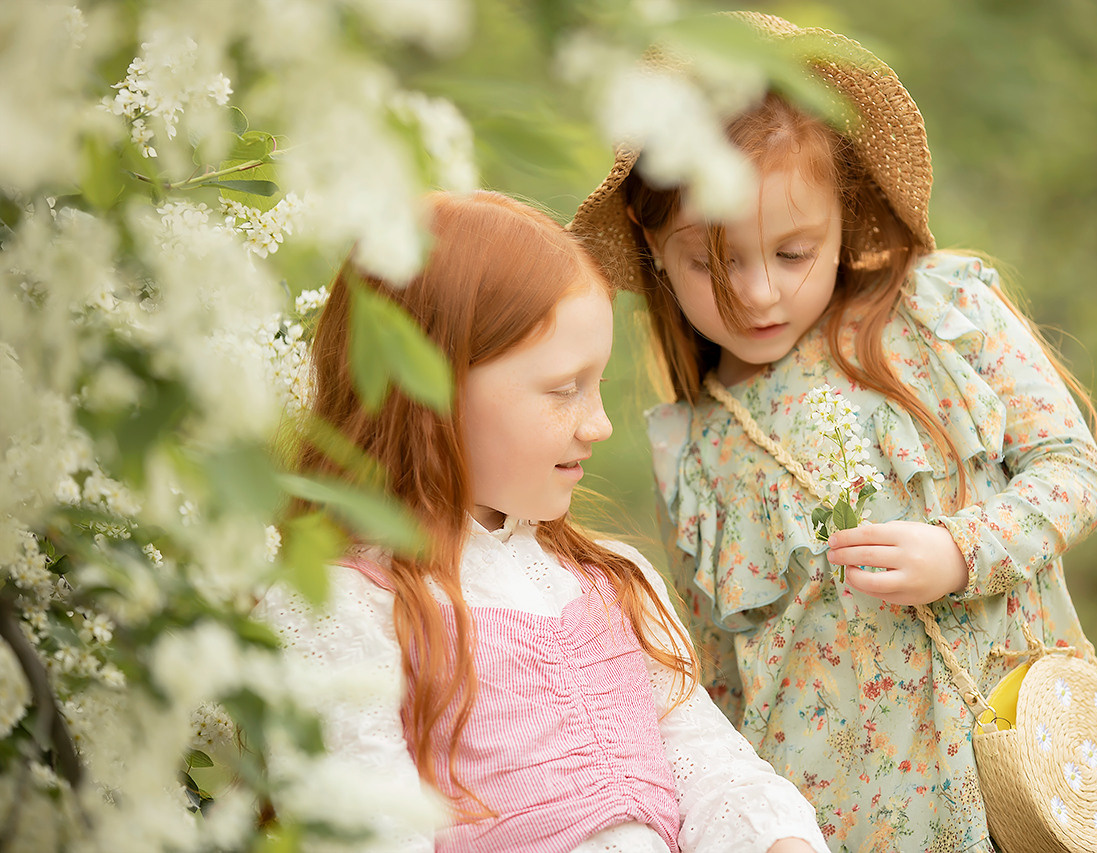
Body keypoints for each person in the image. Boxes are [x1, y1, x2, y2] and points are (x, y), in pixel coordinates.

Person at [571, 13, 1097, 853]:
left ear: (844, 216)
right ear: (654, 248)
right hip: (838, 821)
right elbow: (721, 683)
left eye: (791, 252)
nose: (758, 295)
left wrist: (961, 549)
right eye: (713, 263)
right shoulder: (691, 448)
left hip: (1014, 788)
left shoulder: (938, 310)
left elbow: (1072, 472)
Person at [260, 190, 829, 853]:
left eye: (597, 386)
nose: (600, 423)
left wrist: (774, 840)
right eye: (564, 389)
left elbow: (704, 762)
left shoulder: (612, 582)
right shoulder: (348, 606)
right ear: (430, 391)